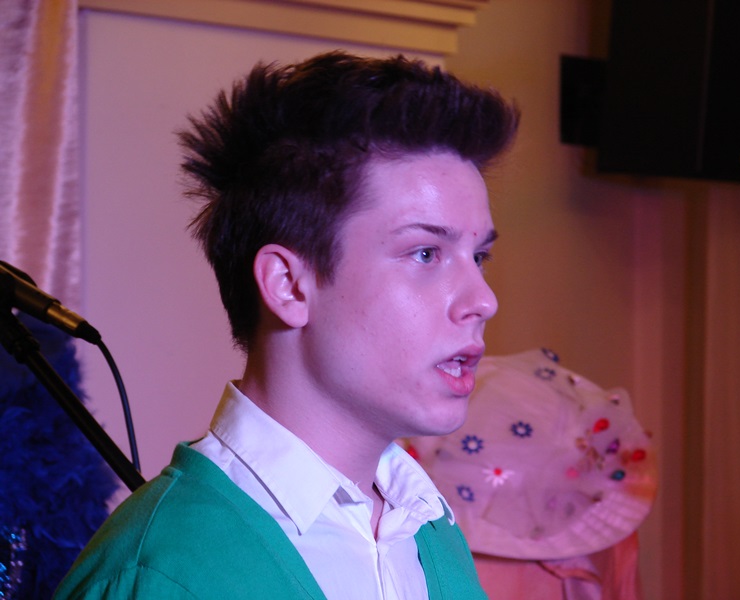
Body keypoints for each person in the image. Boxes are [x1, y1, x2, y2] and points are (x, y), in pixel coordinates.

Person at [55, 50, 519, 599]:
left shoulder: (428, 532)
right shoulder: (163, 573)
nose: (484, 300)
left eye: (478, 257)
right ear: (288, 285)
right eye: (425, 254)